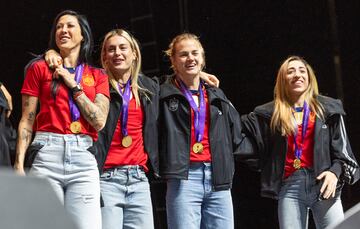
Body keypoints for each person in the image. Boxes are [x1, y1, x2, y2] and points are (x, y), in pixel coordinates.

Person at [14, 10, 110, 229]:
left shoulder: (98, 75)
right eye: (59, 26)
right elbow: (26, 120)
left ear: (83, 35)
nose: (63, 30)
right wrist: (19, 165)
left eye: (70, 26)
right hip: (47, 153)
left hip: (83, 158)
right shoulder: (39, 68)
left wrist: (72, 83)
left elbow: (99, 121)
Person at [241, 55, 359, 229]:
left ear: (309, 78)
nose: (297, 75)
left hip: (324, 185)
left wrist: (334, 173)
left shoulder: (329, 109)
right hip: (290, 187)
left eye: (302, 71)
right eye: (291, 71)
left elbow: (344, 154)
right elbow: (236, 131)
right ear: (283, 80)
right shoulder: (269, 114)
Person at [159, 33, 243, 229]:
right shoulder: (164, 92)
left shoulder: (216, 94)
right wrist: (190, 75)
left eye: (195, 53)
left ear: (203, 58)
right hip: (184, 178)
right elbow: (143, 80)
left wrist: (198, 76)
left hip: (218, 178)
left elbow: (237, 130)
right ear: (173, 60)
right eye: (183, 54)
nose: (190, 58)